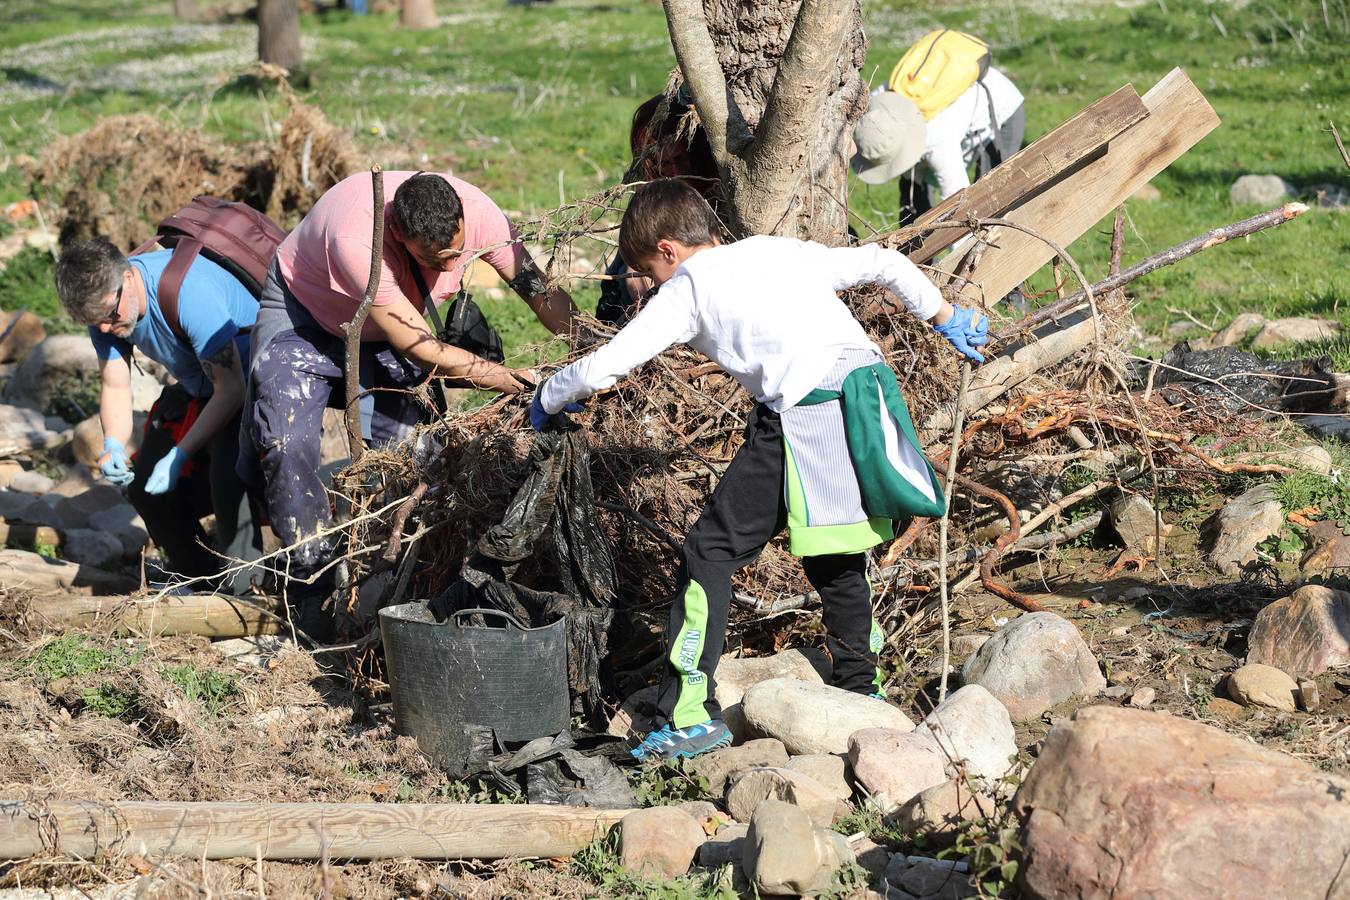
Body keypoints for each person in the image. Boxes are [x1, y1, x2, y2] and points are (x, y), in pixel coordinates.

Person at [531, 179, 988, 760]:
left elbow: (608, 365)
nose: (653, 285)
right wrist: (947, 317)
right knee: (836, 552)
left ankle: (690, 714)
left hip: (806, 408)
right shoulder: (773, 249)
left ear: (668, 250)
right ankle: (861, 691)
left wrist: (548, 398)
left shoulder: (688, 288)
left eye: (649, 270)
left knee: (709, 551)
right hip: (865, 394)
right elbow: (885, 262)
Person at [242, 170, 579, 640]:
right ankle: (310, 585)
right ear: (400, 235)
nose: (450, 266)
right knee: (285, 444)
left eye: (458, 254)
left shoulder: (480, 213)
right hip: (306, 316)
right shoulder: (357, 240)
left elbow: (538, 291)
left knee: (414, 456)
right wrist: (506, 380)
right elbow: (419, 345)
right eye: (434, 259)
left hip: (390, 324)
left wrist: (592, 353)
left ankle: (398, 575)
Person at [54, 238, 264, 591]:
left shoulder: (188, 294)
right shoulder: (108, 309)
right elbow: (116, 386)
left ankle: (247, 589)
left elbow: (232, 390)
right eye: (93, 322)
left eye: (109, 315)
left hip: (250, 382)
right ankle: (198, 579)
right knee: (144, 486)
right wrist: (113, 444)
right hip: (200, 388)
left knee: (228, 478)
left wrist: (181, 454)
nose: (105, 328)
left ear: (129, 278)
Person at [596, 91, 721, 327]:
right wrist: (637, 273)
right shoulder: (653, 199)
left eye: (681, 161)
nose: (674, 174)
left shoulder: (717, 202)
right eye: (663, 165)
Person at [852, 57, 1024, 225]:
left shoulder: (937, 142)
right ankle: (912, 253)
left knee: (988, 200)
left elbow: (959, 208)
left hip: (999, 105)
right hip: (947, 117)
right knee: (912, 198)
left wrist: (962, 251)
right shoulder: (876, 110)